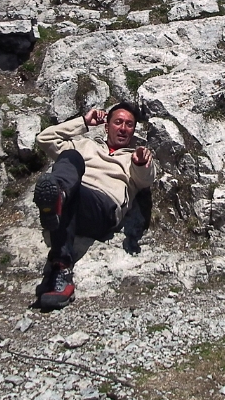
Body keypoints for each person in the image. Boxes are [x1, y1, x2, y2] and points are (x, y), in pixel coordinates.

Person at [32, 102, 157, 310]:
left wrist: (141, 163)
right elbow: (44, 139)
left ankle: (59, 201)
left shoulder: (133, 157)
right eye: (118, 122)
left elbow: (146, 180)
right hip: (73, 193)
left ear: (133, 131)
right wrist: (83, 122)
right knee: (70, 157)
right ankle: (60, 265)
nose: (123, 128)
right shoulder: (85, 145)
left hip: (103, 208)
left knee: (73, 193)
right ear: (106, 126)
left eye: (129, 124)